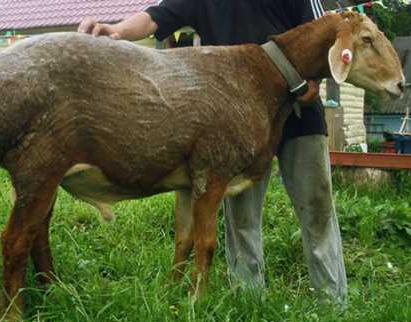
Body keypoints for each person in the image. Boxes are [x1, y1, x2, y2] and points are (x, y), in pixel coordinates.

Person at [78, 0, 347, 303]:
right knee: (241, 219)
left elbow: (326, 32)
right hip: (236, 126)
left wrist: (314, 81)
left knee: (317, 209)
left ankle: (332, 302)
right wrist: (117, 30)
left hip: (300, 113)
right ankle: (248, 300)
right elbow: (156, 17)